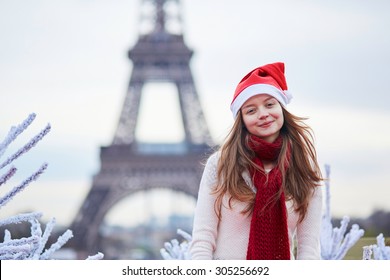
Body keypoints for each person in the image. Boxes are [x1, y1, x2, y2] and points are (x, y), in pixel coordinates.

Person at [189, 62, 323, 260]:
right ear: (241, 119)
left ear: (282, 108)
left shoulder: (304, 167)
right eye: (251, 110)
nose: (263, 114)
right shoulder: (221, 164)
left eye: (270, 104)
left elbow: (309, 249)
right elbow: (202, 241)